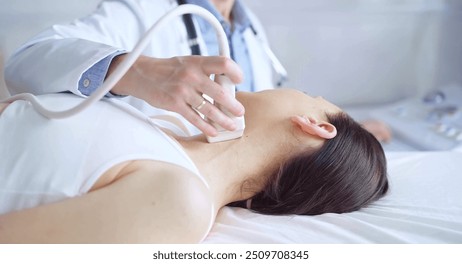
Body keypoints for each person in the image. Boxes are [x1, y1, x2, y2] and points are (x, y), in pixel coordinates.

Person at [4, 0, 392, 142]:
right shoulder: (142, 10)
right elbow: (26, 61)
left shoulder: (251, 28)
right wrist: (137, 71)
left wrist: (347, 133)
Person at [0, 88, 388, 243]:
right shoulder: (164, 125)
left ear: (316, 126)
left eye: (312, 95)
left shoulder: (180, 202)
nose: (295, 87)